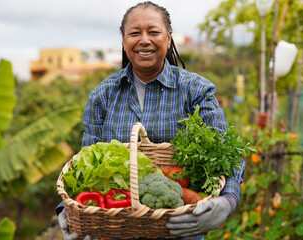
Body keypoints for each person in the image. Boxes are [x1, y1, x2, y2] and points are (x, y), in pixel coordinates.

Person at [57, 1, 245, 239]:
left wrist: (228, 198)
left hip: (179, 229)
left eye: (153, 32)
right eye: (135, 33)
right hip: (117, 230)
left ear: (168, 38)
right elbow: (85, 163)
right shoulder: (102, 95)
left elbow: (226, 152)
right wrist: (68, 209)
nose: (144, 40)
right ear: (124, 41)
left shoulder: (196, 90)